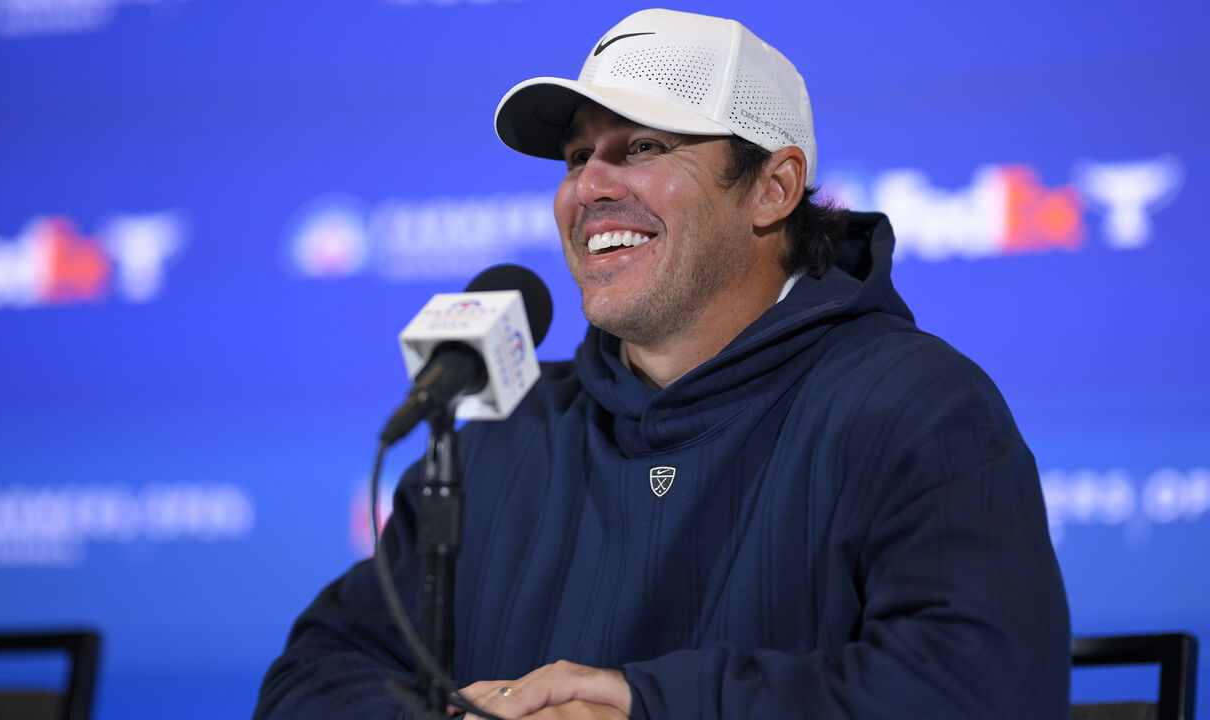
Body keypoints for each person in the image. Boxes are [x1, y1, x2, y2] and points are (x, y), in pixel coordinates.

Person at [255, 9, 1070, 719]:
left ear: (773, 187)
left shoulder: (916, 407)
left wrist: (647, 707)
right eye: (577, 157)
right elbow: (311, 678)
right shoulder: (498, 443)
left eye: (641, 145)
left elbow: (983, 688)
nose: (588, 189)